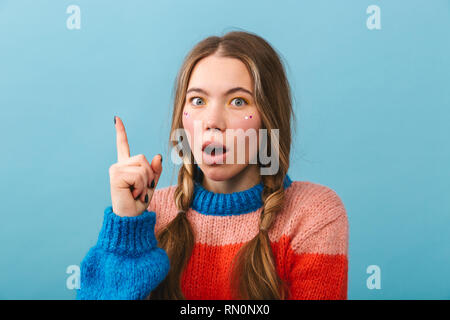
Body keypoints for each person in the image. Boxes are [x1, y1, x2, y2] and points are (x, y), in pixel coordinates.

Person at [76, 30, 349, 300]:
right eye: (198, 100)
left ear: (269, 118)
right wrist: (126, 229)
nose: (213, 121)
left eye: (238, 101)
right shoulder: (150, 214)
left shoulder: (314, 214)